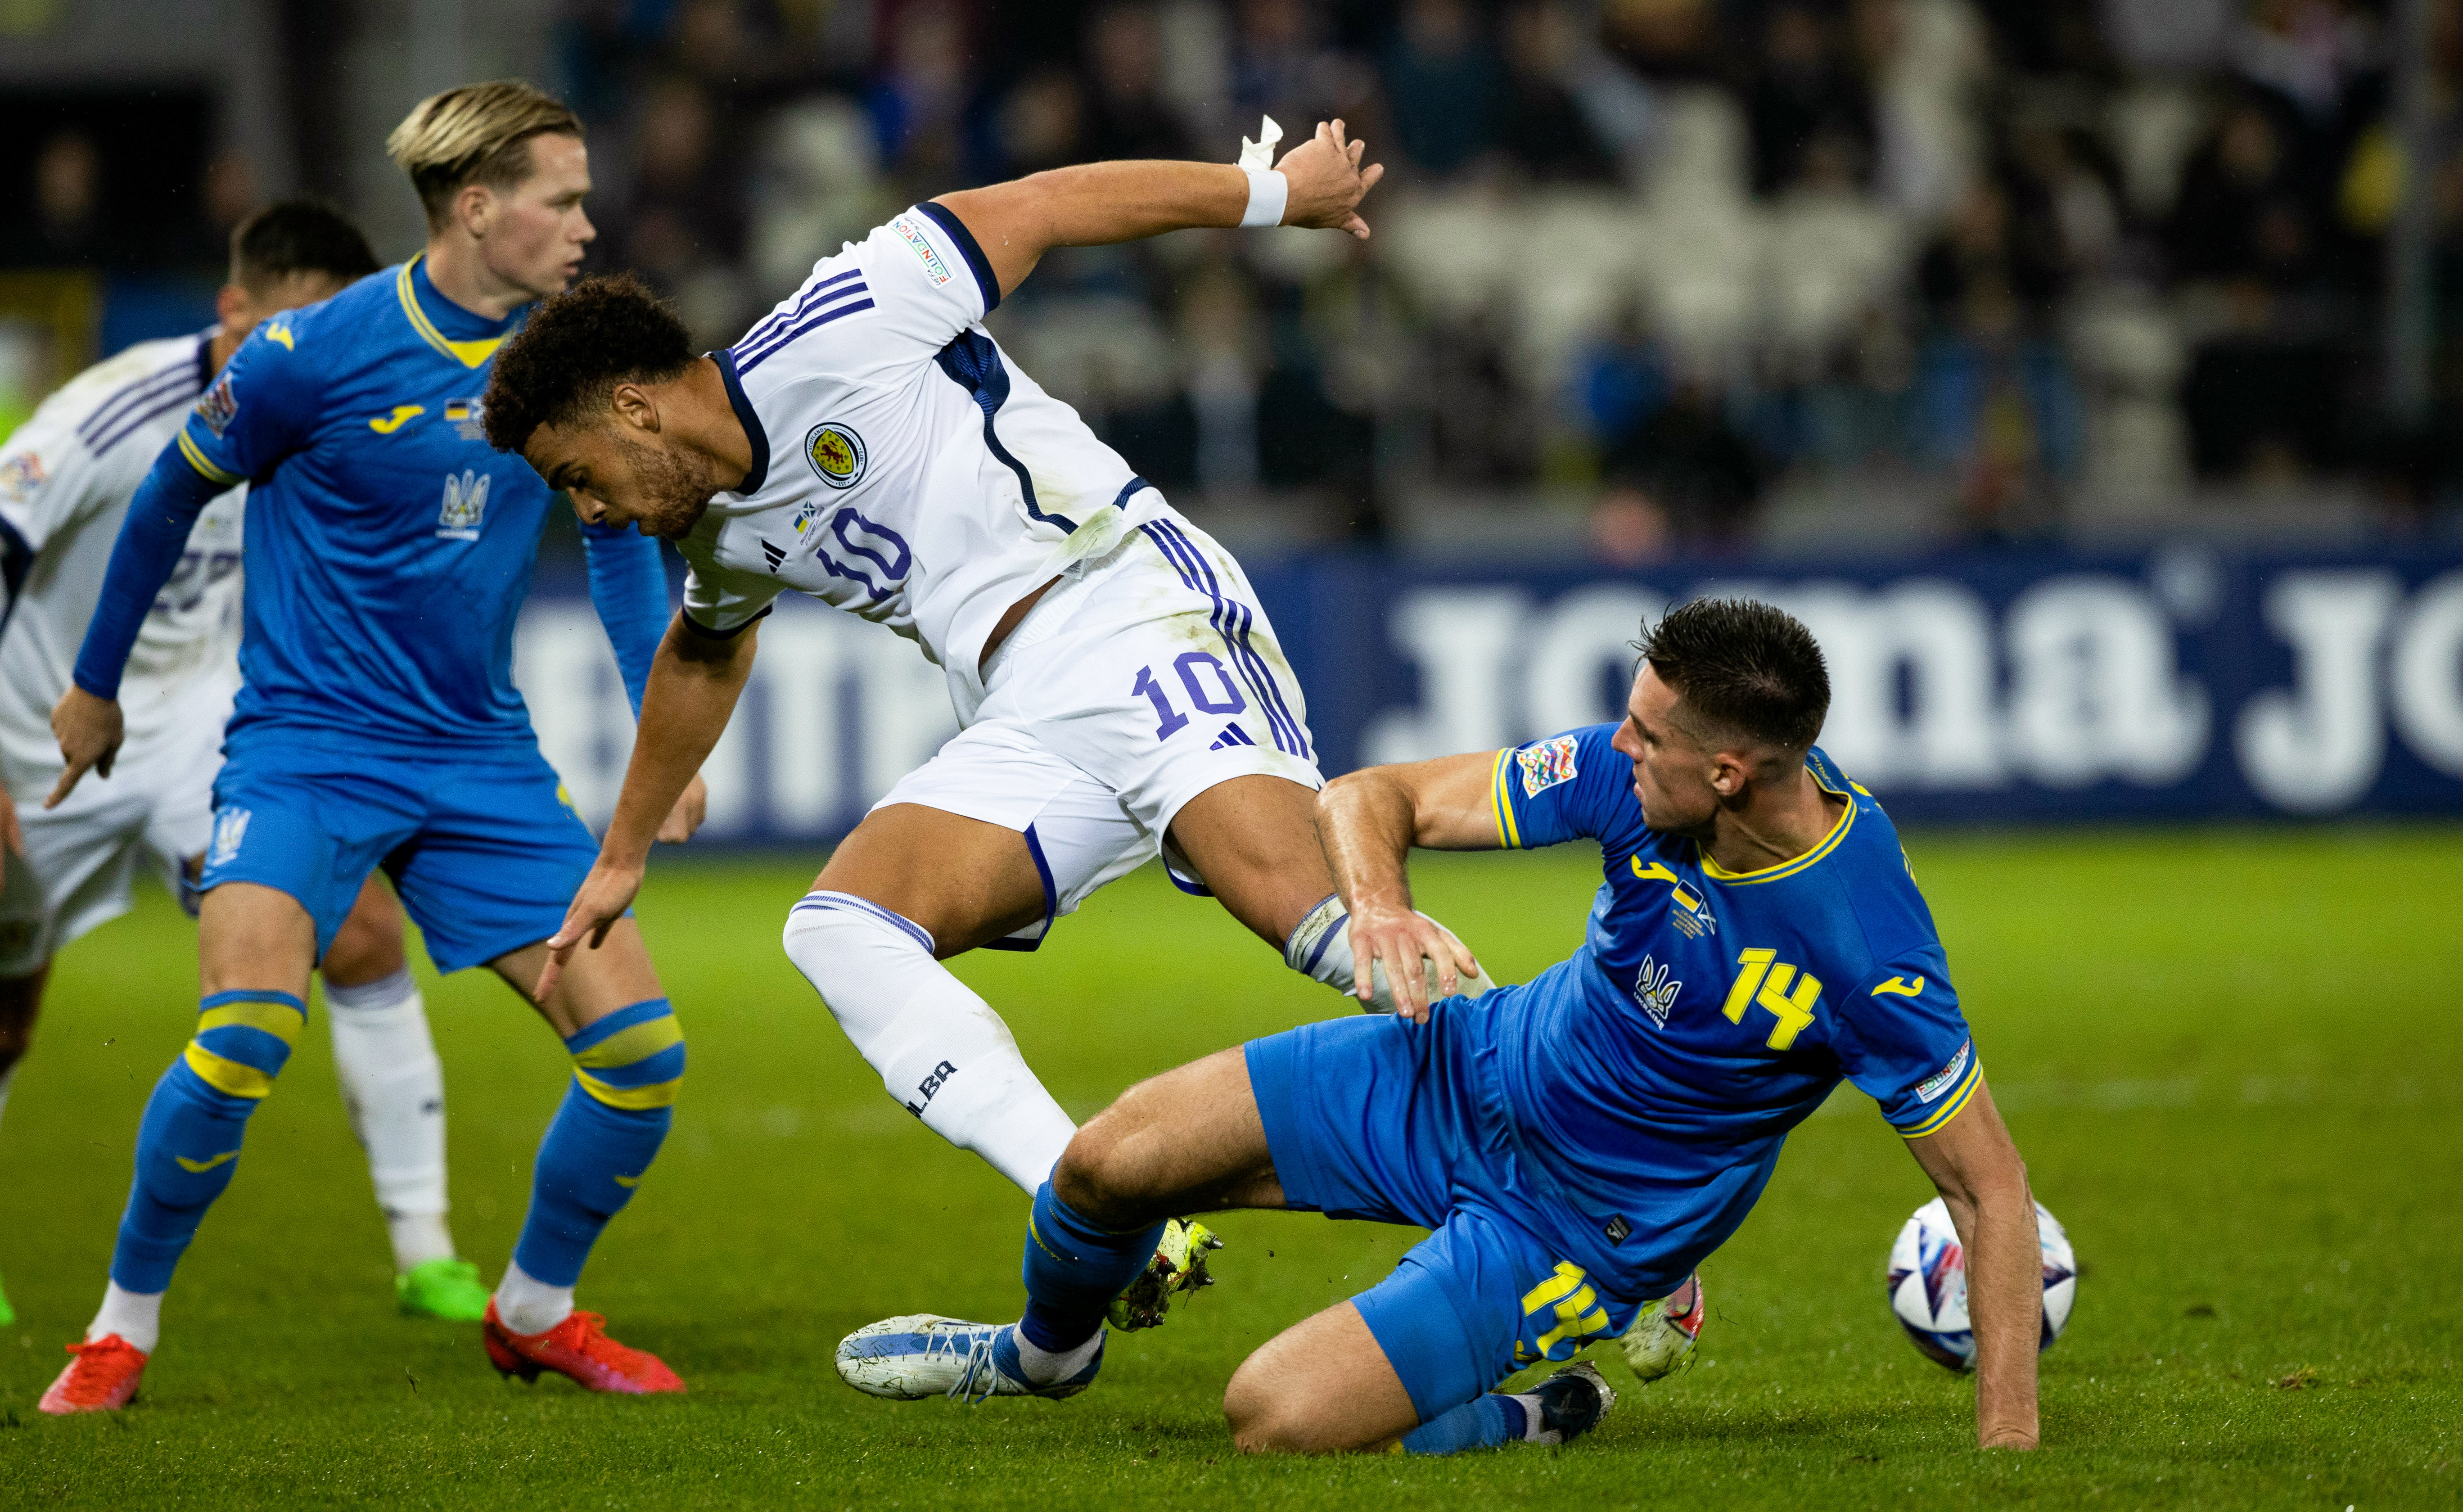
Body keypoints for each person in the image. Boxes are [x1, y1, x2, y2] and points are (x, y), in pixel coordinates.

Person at [479, 120, 1493, 1309]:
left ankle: (1597, 1121)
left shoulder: (846, 317)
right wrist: (624, 852)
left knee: (1311, 919)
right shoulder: (722, 528)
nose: (591, 512)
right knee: (841, 927)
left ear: (635, 408)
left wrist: (1273, 195)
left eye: (578, 473)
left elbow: (1052, 198)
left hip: (1130, 606)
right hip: (1025, 715)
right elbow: (702, 655)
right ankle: (1100, 1205)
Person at [836, 598, 2043, 1458]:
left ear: (1728, 773)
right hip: (1468, 1065)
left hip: (1574, 1224)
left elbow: (1991, 1194)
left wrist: (2008, 1452)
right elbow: (1374, 796)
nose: (1616, 748)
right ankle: (1041, 1357)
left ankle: (1533, 1410)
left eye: (1645, 736)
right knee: (1107, 1162)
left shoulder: (1867, 956)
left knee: (1273, 1415)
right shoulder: (1636, 784)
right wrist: (1383, 908)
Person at [36, 81, 708, 1415]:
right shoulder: (312, 354)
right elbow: (173, 491)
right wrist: (96, 688)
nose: (586, 225)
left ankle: (532, 1312)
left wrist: (658, 742)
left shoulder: (567, 367)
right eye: (561, 199)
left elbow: (628, 544)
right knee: (240, 1042)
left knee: (640, 1060)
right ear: (476, 207)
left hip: (478, 759)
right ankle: (119, 1331)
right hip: (308, 747)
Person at [0, 199, 492, 1329]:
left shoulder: (332, 404)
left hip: (198, 724)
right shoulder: (112, 411)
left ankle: (427, 1252)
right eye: (292, 326)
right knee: (7, 1015)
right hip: (40, 723)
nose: (311, 354)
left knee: (362, 929)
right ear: (233, 311)